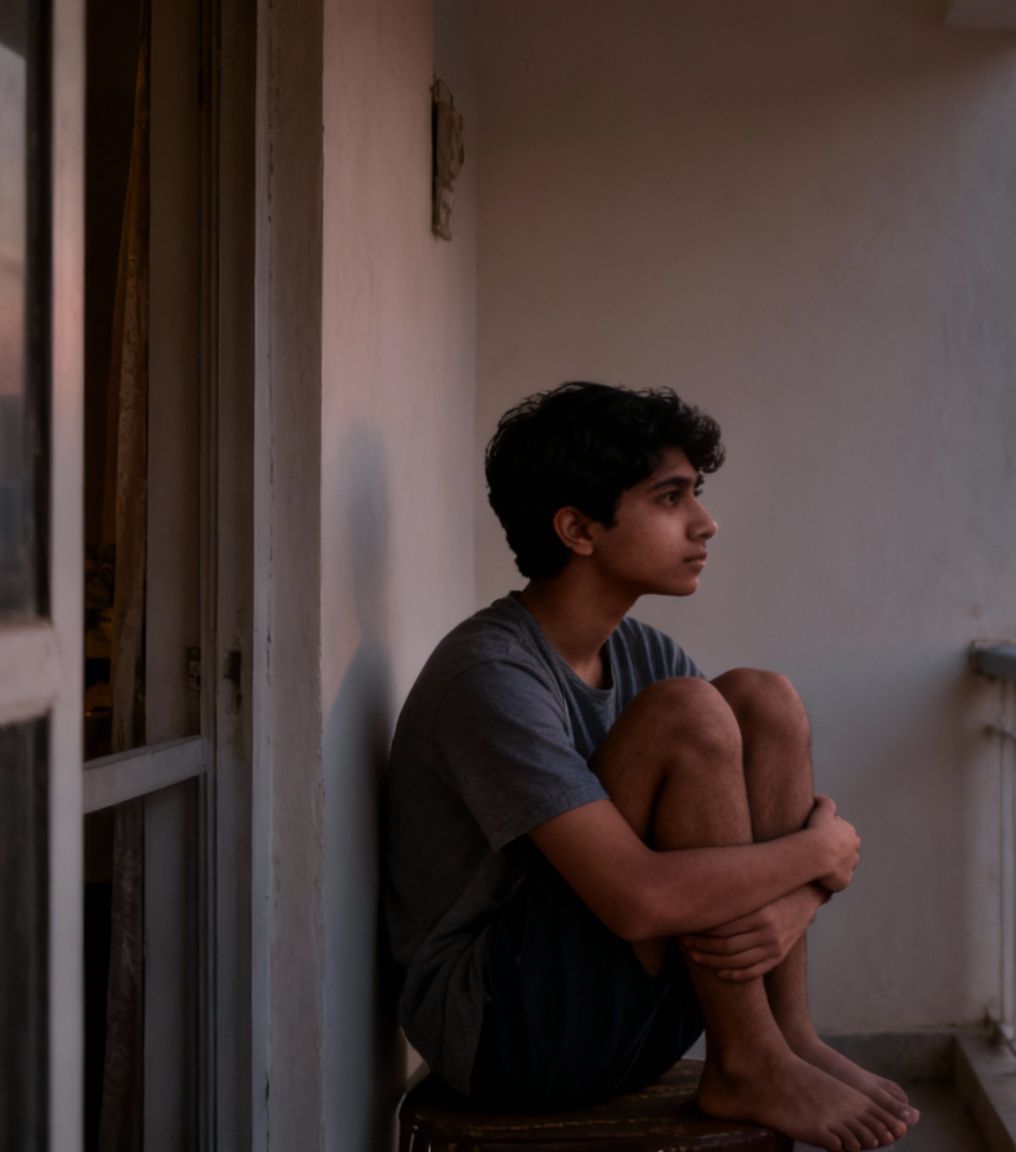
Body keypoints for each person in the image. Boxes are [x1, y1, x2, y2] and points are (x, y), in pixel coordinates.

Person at [383, 382, 916, 1150]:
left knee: (762, 699)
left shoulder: (641, 652)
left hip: (636, 1008)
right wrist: (821, 856)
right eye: (671, 498)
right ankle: (748, 1058)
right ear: (577, 528)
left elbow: (726, 832)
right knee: (691, 712)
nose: (705, 522)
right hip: (507, 1034)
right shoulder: (489, 675)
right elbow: (637, 900)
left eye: (696, 493)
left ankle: (784, 1037)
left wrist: (797, 898)